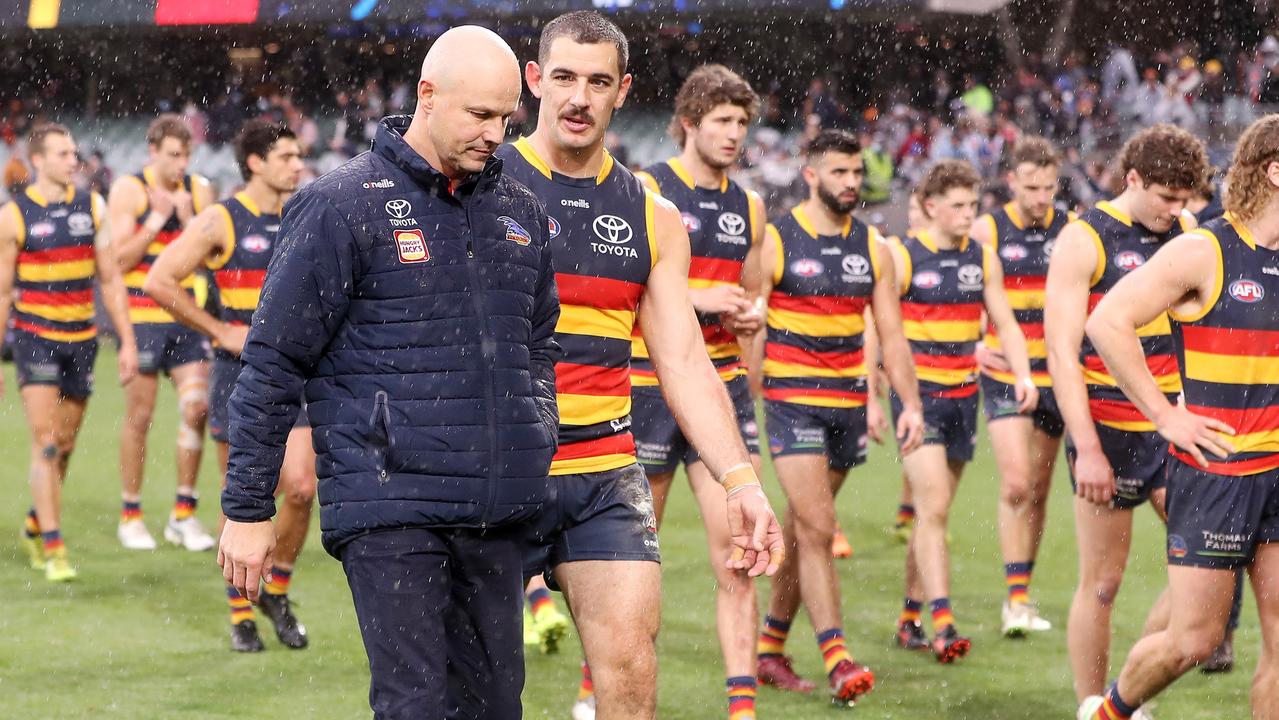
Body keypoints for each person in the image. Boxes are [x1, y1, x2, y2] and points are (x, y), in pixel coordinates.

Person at [218, 27, 561, 719]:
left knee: (497, 707)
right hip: (389, 508)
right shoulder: (339, 204)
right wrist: (249, 508)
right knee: (415, 706)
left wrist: (537, 427)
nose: (496, 133)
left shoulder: (520, 213)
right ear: (427, 98)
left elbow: (540, 343)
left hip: (495, 509)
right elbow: (275, 359)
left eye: (505, 117)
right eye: (479, 115)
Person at [497, 12, 783, 720]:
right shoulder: (483, 182)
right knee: (476, 692)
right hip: (491, 474)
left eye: (597, 82)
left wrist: (740, 479)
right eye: (562, 77)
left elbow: (683, 359)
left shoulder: (649, 215)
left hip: (601, 476)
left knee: (628, 676)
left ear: (622, 91)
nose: (577, 98)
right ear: (533, 80)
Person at [1079, 113, 1279, 720]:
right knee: (1194, 640)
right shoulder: (1206, 249)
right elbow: (1107, 322)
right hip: (1216, 475)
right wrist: (1165, 416)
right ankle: (1110, 711)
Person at [748, 129, 924, 703]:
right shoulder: (775, 241)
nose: (850, 183)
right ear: (811, 175)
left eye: (855, 173)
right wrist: (744, 407)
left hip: (846, 408)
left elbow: (892, 336)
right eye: (839, 172)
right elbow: (750, 329)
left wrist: (910, 404)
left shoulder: (874, 247)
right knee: (820, 529)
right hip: (790, 403)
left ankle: (769, 648)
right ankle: (838, 657)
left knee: (805, 531)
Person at [1043, 124, 1207, 713]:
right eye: (1166, 197)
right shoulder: (1084, 239)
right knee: (1104, 581)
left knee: (1210, 559)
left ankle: (1128, 692)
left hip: (1172, 429)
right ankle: (1093, 706)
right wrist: (1085, 446)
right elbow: (1061, 352)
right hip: (1106, 432)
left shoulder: (1187, 232)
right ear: (1133, 179)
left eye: (1185, 199)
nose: (1177, 210)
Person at [627, 63, 769, 717]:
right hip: (651, 385)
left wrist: (747, 314)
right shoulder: (646, 191)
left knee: (737, 552)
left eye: (741, 122)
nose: (734, 134)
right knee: (633, 559)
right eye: (721, 121)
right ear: (688, 123)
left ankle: (741, 706)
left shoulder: (751, 205)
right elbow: (621, 289)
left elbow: (751, 298)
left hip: (722, 389)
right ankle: (600, 683)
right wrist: (699, 295)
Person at [144, 120, 314, 653]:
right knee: (241, 494)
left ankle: (276, 591)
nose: (297, 164)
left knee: (303, 487)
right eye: (286, 156)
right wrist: (219, 330)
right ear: (256, 163)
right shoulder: (221, 219)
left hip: (301, 374)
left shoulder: (307, 214)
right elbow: (159, 280)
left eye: (298, 155)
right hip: (239, 376)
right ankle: (241, 612)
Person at [890, 159, 1036, 663]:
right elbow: (882, 330)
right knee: (931, 508)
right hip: (918, 401)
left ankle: (908, 616)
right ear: (930, 207)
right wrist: (879, 392)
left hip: (962, 399)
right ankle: (944, 622)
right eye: (957, 205)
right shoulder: (904, 257)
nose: (967, 214)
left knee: (935, 512)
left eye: (973, 205)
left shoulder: (983, 258)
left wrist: (1022, 375)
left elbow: (1007, 324)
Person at [1, 122, 138, 581]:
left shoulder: (92, 206)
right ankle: (54, 547)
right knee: (44, 442)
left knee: (65, 445)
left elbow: (111, 278)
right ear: (38, 160)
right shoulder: (13, 216)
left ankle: (35, 524)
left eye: (73, 152)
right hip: (35, 336)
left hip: (81, 341)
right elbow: (2, 293)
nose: (72, 160)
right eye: (62, 153)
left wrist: (127, 341)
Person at [969, 136, 1074, 636]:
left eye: (1048, 187)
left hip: (1058, 374)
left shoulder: (1072, 229)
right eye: (1031, 187)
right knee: (1015, 482)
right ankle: (1013, 600)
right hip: (1006, 372)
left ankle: (1022, 597)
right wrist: (971, 343)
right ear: (1012, 181)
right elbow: (959, 290)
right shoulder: (987, 229)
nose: (1040, 197)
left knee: (1038, 489)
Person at [108, 114, 216, 552]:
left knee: (196, 408)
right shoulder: (129, 189)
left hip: (186, 313)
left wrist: (192, 222)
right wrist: (155, 218)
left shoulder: (200, 190)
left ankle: (183, 513)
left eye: (186, 154)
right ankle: (131, 513)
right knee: (141, 415)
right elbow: (117, 260)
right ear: (153, 152)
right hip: (142, 314)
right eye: (173, 154)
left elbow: (213, 261)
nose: (181, 163)